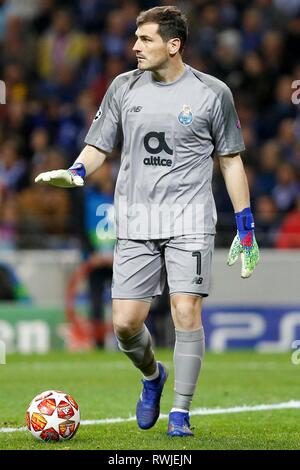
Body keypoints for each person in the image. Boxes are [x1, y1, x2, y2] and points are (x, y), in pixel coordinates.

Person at [35, 6, 259, 437]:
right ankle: (154, 377)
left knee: (185, 309)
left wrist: (246, 225)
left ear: (173, 45)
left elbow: (230, 162)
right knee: (125, 324)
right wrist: (78, 172)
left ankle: (181, 414)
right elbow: (99, 144)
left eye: (145, 40)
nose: (134, 47)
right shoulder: (123, 87)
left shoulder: (213, 93)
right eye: (135, 39)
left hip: (190, 218)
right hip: (136, 219)